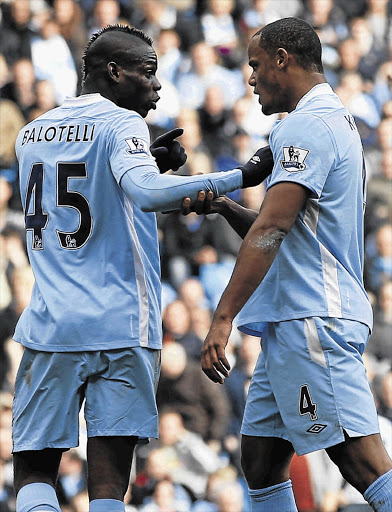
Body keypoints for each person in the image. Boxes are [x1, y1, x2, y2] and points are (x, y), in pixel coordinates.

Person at [11, 24, 274, 512]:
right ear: (114, 72)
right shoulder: (121, 124)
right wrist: (241, 175)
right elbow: (146, 194)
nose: (157, 86)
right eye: (148, 73)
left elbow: (85, 199)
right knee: (109, 481)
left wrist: (149, 163)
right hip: (121, 323)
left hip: (53, 324)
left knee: (33, 468)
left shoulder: (31, 133)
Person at [182, 17, 392, 512]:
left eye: (255, 65)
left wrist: (222, 316)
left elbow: (273, 228)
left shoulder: (308, 125)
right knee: (259, 461)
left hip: (311, 319)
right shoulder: (328, 120)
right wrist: (225, 207)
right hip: (292, 320)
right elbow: (289, 233)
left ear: (283, 59)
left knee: (362, 464)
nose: (250, 78)